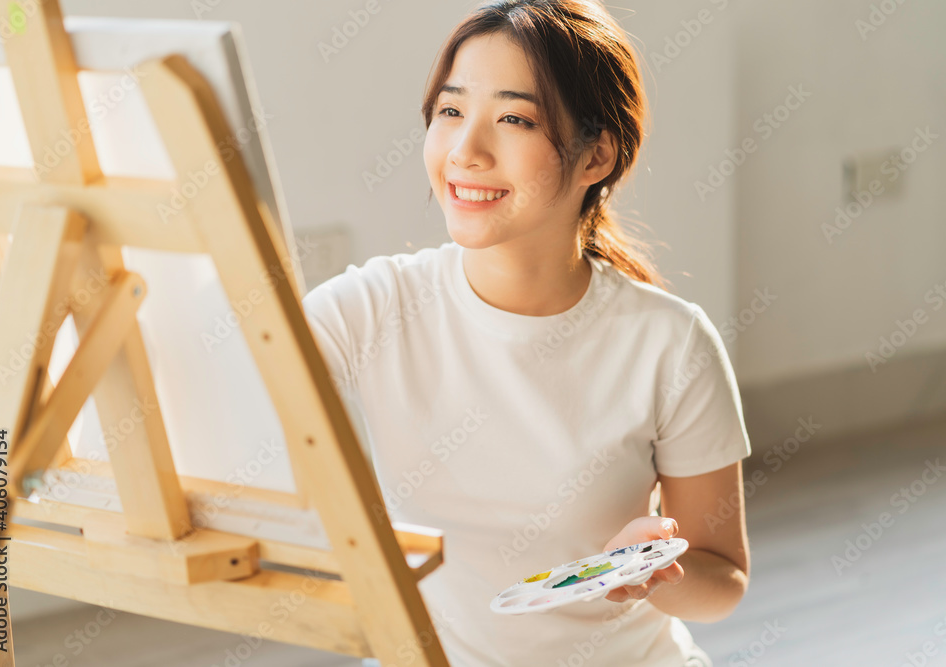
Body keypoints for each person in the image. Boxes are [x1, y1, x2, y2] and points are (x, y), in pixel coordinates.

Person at [301, 1, 751, 664]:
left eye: (514, 118)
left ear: (597, 154)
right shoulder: (369, 307)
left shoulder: (669, 343)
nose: (465, 151)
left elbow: (724, 581)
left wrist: (657, 575)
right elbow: (219, 378)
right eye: (451, 111)